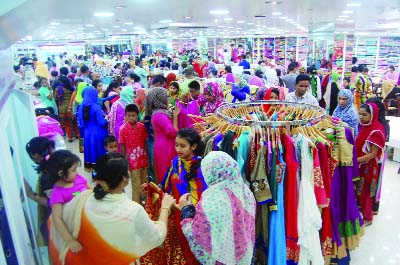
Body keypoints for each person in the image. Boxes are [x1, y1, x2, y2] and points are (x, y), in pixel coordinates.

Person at [49, 153, 175, 265]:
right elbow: (157, 237)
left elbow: (57, 219)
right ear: (124, 179)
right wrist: (165, 207)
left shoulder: (83, 198)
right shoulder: (133, 210)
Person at [177, 151, 256, 264]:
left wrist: (186, 210)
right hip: (244, 258)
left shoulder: (211, 201)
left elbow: (197, 236)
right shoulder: (246, 193)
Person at [160, 128, 208, 265]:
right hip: (178, 213)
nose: (178, 149)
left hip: (199, 216)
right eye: (176, 145)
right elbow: (165, 184)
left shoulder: (203, 166)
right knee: (183, 244)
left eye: (182, 146)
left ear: (193, 146)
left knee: (197, 247)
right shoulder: (175, 163)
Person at [46, 150, 89, 253]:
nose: (77, 173)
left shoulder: (78, 178)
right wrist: (70, 241)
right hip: (78, 228)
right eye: (73, 170)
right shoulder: (57, 194)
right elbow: (57, 219)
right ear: (61, 173)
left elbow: (91, 190)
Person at [355, 103, 386, 226]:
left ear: (372, 115)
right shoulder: (364, 126)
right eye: (360, 114)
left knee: (366, 192)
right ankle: (361, 212)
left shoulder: (376, 130)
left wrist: (355, 160)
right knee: (359, 190)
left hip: (368, 166)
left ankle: (368, 218)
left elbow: (373, 154)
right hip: (361, 164)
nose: (361, 117)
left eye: (365, 114)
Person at [24, 137, 56, 245]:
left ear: (35, 155)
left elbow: (53, 202)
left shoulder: (47, 176)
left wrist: (32, 195)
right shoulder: (59, 162)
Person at [147, 87, 180, 182]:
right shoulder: (160, 115)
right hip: (166, 147)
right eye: (166, 97)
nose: (168, 99)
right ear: (160, 99)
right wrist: (176, 116)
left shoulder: (160, 112)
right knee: (168, 175)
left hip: (163, 145)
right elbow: (172, 132)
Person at [119, 104, 149, 203]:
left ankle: (147, 204)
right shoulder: (123, 129)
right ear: (126, 116)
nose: (131, 118)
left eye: (133, 115)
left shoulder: (142, 127)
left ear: (137, 115)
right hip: (133, 163)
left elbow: (145, 142)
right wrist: (124, 162)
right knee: (136, 185)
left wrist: (147, 156)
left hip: (143, 160)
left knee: (145, 183)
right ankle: (137, 205)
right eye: (129, 115)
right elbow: (122, 146)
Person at [78, 87, 108, 171]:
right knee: (99, 151)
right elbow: (101, 122)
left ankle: (93, 172)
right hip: (99, 133)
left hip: (87, 133)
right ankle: (101, 171)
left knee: (91, 151)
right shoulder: (96, 107)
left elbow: (81, 124)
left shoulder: (81, 107)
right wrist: (106, 118)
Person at [53, 68, 78, 142]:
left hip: (62, 109)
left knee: (66, 124)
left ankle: (70, 137)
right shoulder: (72, 89)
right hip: (71, 108)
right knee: (74, 122)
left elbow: (55, 97)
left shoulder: (58, 89)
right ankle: (77, 134)